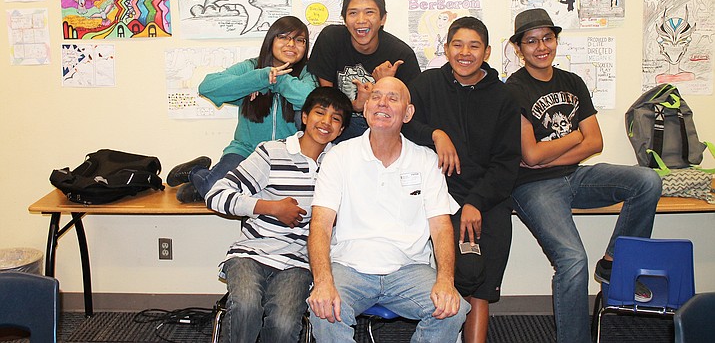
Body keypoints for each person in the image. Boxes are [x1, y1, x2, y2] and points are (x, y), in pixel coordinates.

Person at [504, 8, 662, 343]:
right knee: (573, 258)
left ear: (556, 40)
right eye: (531, 41)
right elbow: (529, 156)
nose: (541, 46)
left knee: (647, 181)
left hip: (575, 177)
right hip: (533, 187)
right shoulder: (513, 89)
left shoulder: (572, 82)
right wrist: (574, 138)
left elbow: (595, 141)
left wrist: (559, 149)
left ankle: (615, 262)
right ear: (519, 49)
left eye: (547, 38)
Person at [307, 77, 470, 342]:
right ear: (366, 107)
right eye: (376, 96)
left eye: (393, 98)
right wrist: (323, 281)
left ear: (408, 113)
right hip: (350, 266)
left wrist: (445, 281)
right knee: (325, 310)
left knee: (453, 309)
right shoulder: (339, 156)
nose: (382, 102)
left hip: (409, 269)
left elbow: (440, 227)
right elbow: (320, 224)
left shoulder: (426, 160)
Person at [404, 17, 521, 343]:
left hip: (489, 198)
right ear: (446, 48)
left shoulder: (504, 97)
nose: (465, 53)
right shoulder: (427, 84)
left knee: (481, 284)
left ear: (486, 51)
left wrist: (476, 203)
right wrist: (436, 134)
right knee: (454, 276)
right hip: (441, 196)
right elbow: (406, 122)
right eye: (458, 45)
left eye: (474, 46)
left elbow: (506, 163)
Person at [205, 87, 352, 343]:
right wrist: (271, 207)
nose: (326, 122)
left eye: (336, 118)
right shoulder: (272, 152)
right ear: (304, 117)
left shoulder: (341, 163)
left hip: (298, 262)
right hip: (251, 253)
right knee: (247, 307)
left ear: (341, 130)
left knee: (283, 324)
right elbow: (216, 195)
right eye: (319, 113)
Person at [167, 16, 318, 202]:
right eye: (283, 37)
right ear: (271, 40)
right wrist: (257, 78)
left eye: (299, 40)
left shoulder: (307, 73)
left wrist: (275, 80)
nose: (291, 44)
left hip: (285, 156)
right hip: (245, 151)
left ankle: (199, 177)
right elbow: (207, 86)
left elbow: (309, 100)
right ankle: (195, 171)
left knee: (189, 194)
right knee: (211, 190)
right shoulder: (251, 67)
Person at [307, 0, 421, 141]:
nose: (361, 20)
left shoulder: (401, 55)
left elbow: (408, 113)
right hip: (338, 123)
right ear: (345, 19)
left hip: (381, 127)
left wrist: (386, 83)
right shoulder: (331, 39)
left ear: (383, 19)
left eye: (369, 12)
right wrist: (355, 106)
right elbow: (326, 100)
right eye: (353, 13)